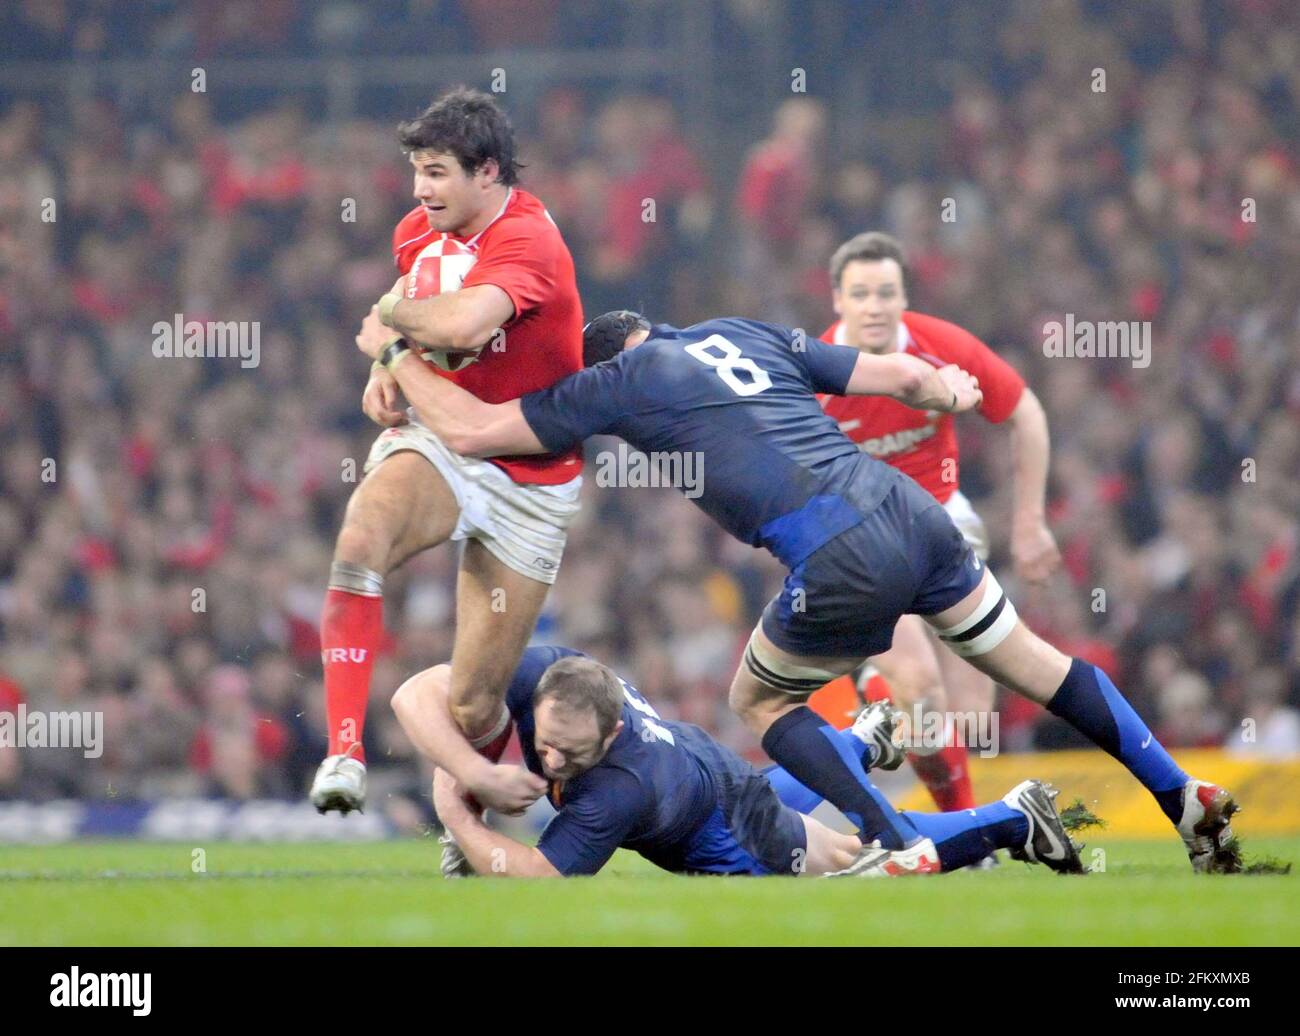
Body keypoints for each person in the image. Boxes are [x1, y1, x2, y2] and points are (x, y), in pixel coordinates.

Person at [353, 308, 1240, 873]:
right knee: (1041, 666)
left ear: (604, 360)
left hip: (838, 547)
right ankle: (1178, 795)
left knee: (759, 699)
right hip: (910, 512)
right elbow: (882, 372)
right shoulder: (740, 331)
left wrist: (396, 349)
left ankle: (893, 844)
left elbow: (470, 432)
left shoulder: (614, 381)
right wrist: (941, 384)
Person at [311, 87, 584, 816]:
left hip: (530, 471)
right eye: (417, 171)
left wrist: (391, 331)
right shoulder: (415, 231)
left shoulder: (529, 238)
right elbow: (409, 296)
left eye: (436, 173)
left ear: (487, 173)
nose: (420, 189)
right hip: (441, 440)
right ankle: (344, 751)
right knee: (361, 537)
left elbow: (461, 325)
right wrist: (383, 368)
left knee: (472, 703)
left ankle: (473, 812)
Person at [391, 645, 1083, 878]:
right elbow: (414, 691)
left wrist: (456, 807)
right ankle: (861, 743)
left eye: (566, 754)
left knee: (869, 865)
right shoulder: (555, 674)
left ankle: (1013, 818)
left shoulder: (615, 788)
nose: (547, 760)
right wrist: (476, 769)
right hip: (702, 763)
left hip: (733, 831)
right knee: (760, 785)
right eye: (541, 743)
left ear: (607, 738)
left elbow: (536, 876)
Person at [812, 230, 1059, 818]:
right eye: (861, 293)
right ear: (837, 300)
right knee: (919, 685)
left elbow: (1025, 412)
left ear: (904, 296)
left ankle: (881, 704)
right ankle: (966, 834)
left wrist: (1028, 523)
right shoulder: (817, 373)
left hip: (944, 523)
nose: (874, 305)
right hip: (863, 540)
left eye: (886, 292)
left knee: (970, 712)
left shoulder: (939, 345)